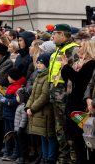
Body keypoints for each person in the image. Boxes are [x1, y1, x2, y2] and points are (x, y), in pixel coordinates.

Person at [48, 24, 79, 164]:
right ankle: (63, 158)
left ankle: (72, 159)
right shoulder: (56, 51)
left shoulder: (73, 50)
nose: (52, 36)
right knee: (59, 130)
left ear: (63, 34)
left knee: (69, 129)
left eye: (56, 33)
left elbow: (76, 75)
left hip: (66, 97)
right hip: (56, 96)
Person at [61, 40, 95, 163]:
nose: (78, 49)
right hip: (73, 102)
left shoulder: (91, 64)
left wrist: (65, 66)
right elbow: (69, 80)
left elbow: (79, 79)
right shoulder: (78, 64)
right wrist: (65, 68)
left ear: (87, 49)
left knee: (82, 138)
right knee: (75, 138)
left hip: (82, 105)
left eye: (81, 47)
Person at [26, 53, 57, 164]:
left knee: (49, 136)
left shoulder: (48, 77)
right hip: (38, 111)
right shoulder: (39, 76)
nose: (38, 65)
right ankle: (44, 158)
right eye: (37, 63)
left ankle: (50, 158)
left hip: (46, 112)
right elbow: (33, 94)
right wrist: (28, 106)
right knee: (43, 136)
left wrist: (32, 108)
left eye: (41, 63)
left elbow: (44, 96)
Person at [0, 68, 26, 162]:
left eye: (9, 76)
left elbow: (16, 101)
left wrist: (5, 100)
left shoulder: (18, 88)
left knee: (14, 135)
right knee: (7, 135)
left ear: (13, 77)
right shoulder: (11, 86)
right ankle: (7, 152)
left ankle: (15, 153)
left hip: (14, 115)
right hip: (7, 114)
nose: (7, 77)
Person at [14, 89, 29, 164]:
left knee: (23, 145)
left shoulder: (23, 107)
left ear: (22, 97)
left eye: (17, 96)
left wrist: (20, 128)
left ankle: (23, 158)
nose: (16, 97)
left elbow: (24, 119)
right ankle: (20, 156)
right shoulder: (20, 106)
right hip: (17, 130)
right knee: (19, 144)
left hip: (21, 130)